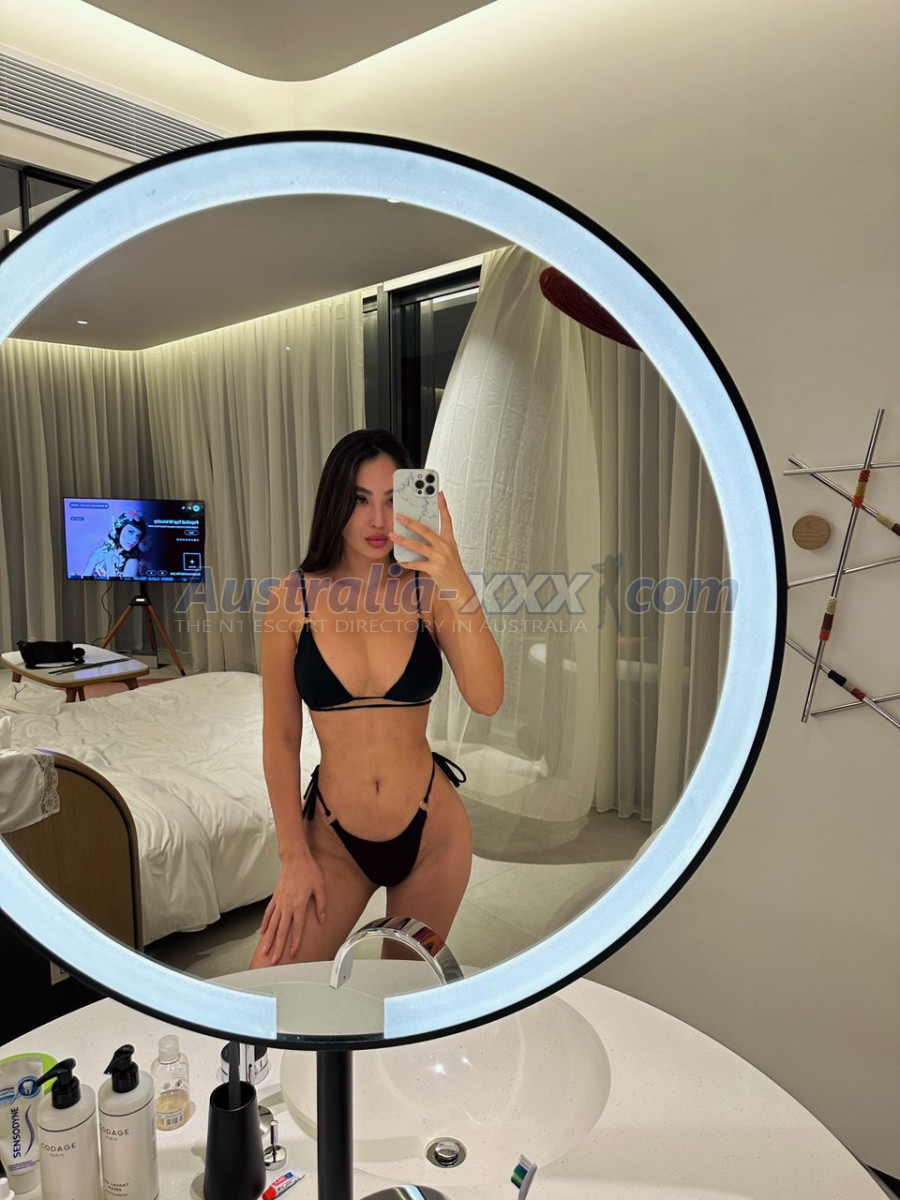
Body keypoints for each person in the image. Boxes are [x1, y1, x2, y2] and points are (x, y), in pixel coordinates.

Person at [250, 429, 504, 969]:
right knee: (269, 986)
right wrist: (293, 857)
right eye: (360, 500)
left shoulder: (429, 591)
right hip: (334, 838)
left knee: (403, 994)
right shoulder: (291, 597)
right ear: (335, 504)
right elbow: (281, 737)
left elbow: (488, 698)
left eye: (392, 500)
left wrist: (455, 574)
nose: (378, 520)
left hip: (432, 835)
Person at [83, 510, 148, 579]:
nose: (134, 540)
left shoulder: (132, 562)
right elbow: (84, 579)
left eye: (138, 536)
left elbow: (119, 585)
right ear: (119, 530)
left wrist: (109, 560)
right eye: (130, 532)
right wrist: (93, 559)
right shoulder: (100, 551)